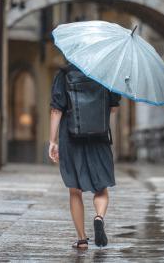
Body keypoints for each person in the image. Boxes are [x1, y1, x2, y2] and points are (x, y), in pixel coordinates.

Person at [49, 63, 121, 249]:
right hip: (99, 137)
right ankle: (99, 217)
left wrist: (52, 141)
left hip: (71, 137)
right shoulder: (107, 73)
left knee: (75, 190)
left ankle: (82, 240)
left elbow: (56, 110)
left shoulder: (64, 74)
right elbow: (113, 108)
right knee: (101, 188)